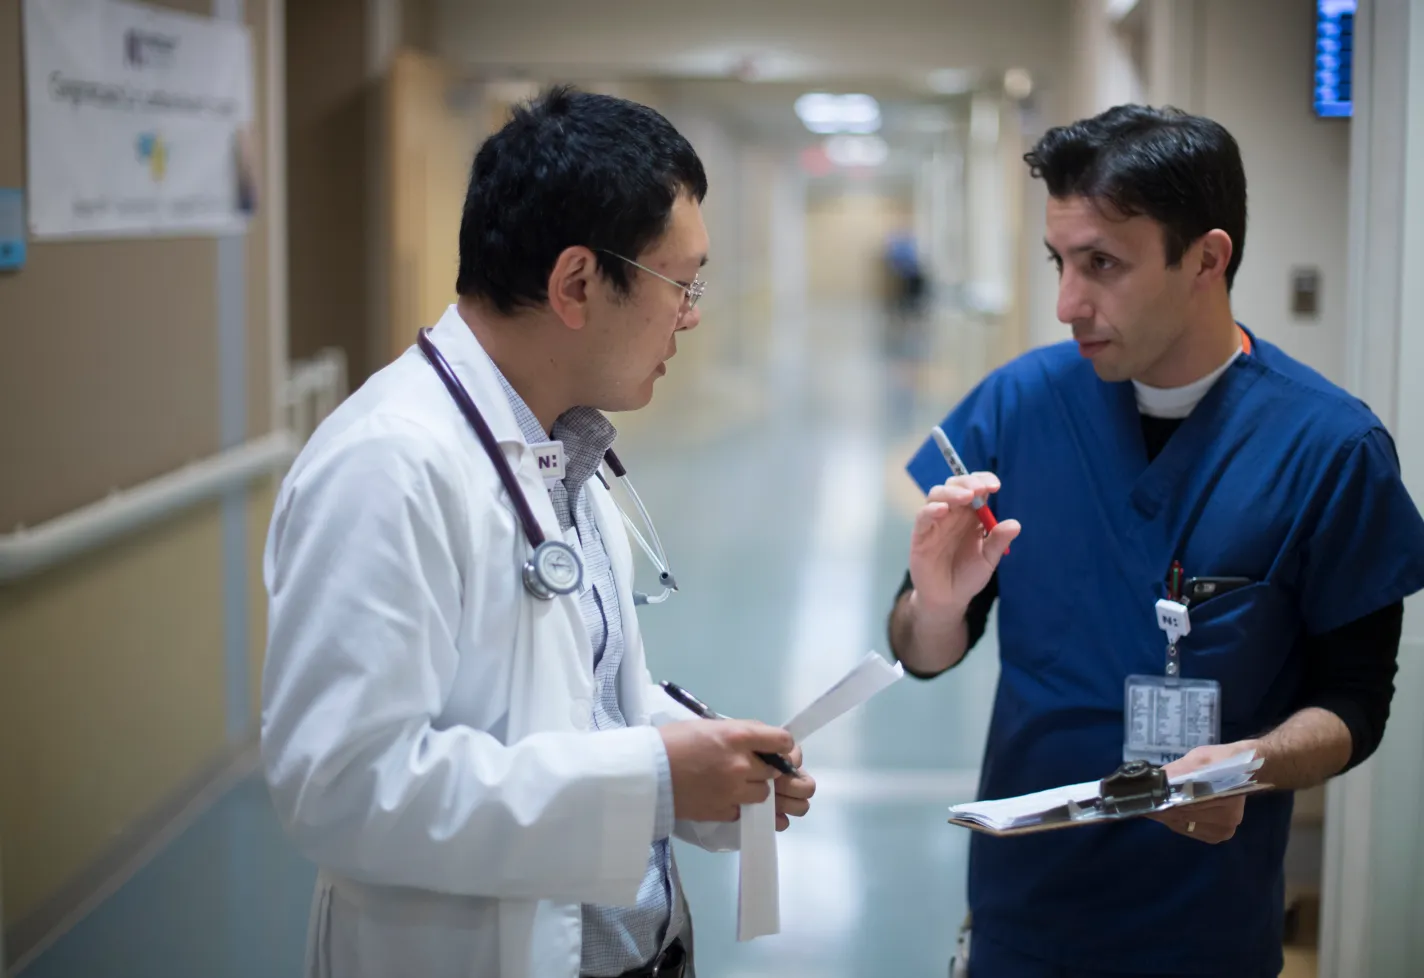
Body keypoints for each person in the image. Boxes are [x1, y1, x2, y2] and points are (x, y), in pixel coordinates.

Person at [260, 86, 816, 978]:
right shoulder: (387, 466)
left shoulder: (558, 448)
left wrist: (707, 764)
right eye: (683, 283)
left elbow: (574, 702)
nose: (694, 313)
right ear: (576, 283)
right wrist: (655, 780)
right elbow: (342, 789)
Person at [887, 104, 1424, 977]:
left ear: (1207, 259)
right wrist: (934, 607)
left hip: (1206, 924)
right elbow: (920, 650)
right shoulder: (1018, 407)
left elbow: (1357, 704)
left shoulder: (1329, 448)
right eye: (1060, 262)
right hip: (1024, 915)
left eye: (1102, 264)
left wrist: (1252, 763)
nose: (1068, 302)